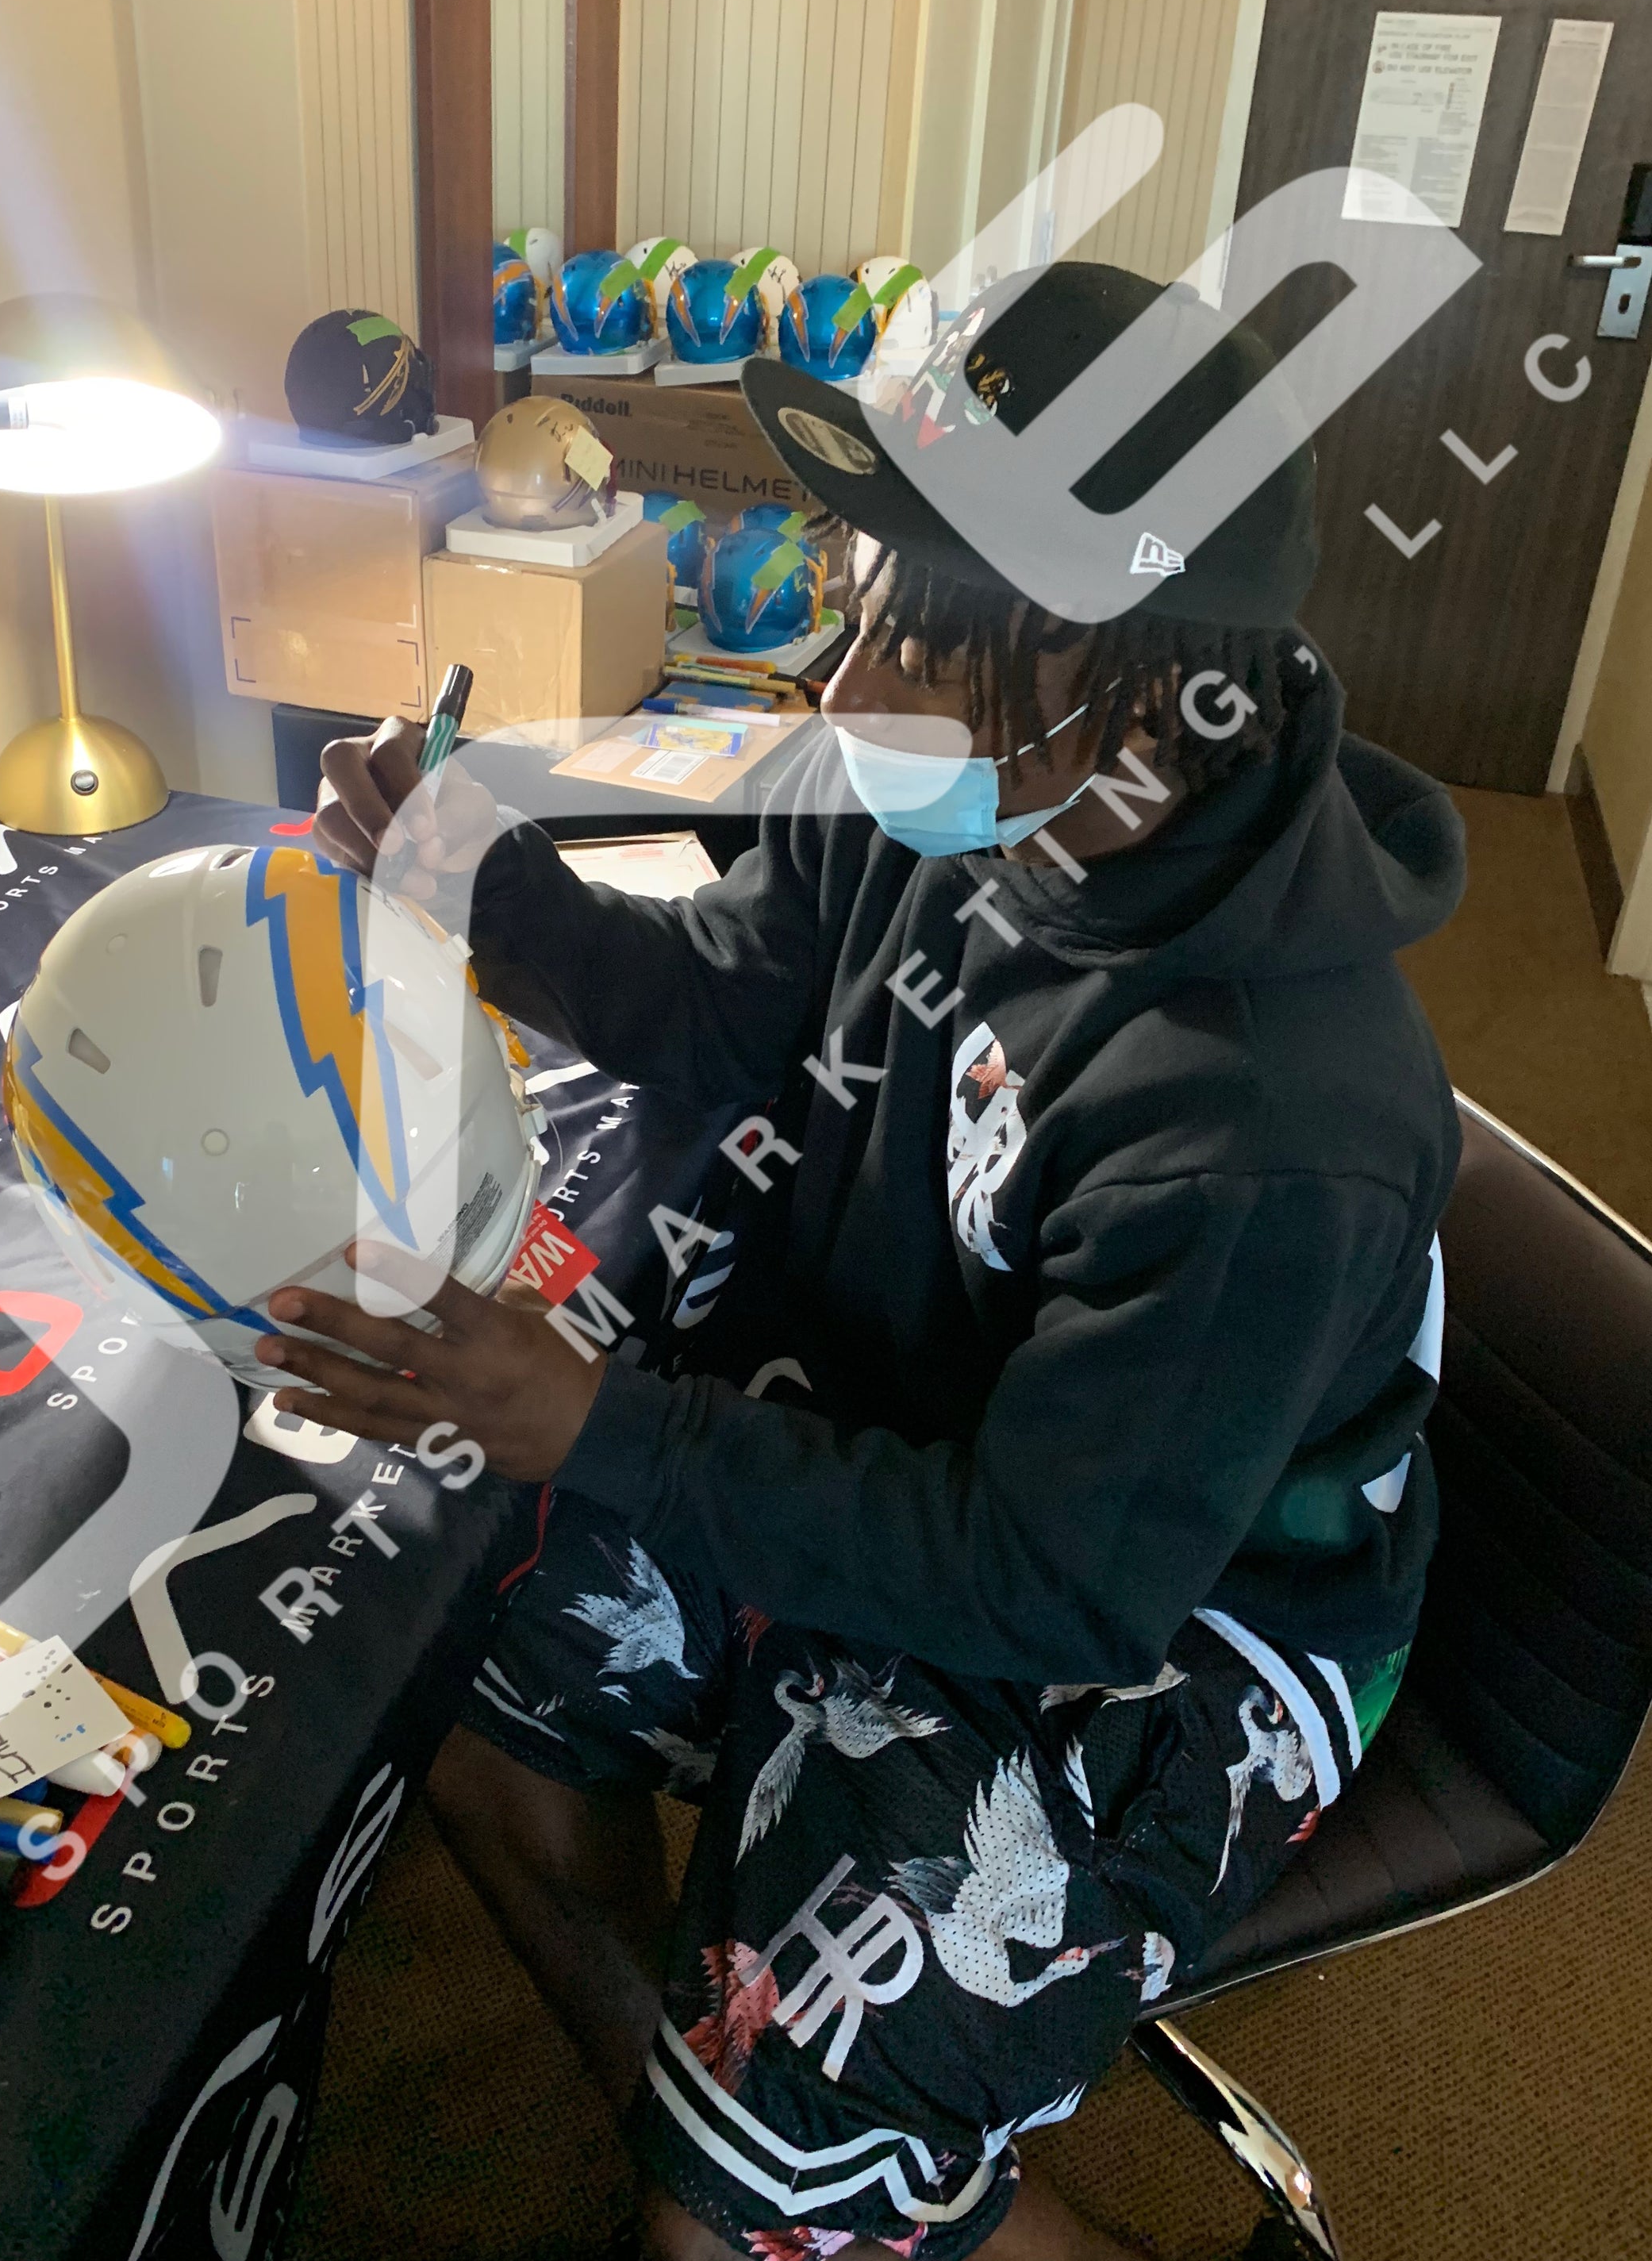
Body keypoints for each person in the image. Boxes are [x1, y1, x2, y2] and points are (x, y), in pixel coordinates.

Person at [263, 264, 1466, 2261]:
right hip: (917, 1431)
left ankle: (781, 2194)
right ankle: (742, 2144)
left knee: (725, 2221)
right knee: (450, 1661)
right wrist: (479, 880)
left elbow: (1050, 1578)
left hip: (1157, 1627)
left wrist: (608, 1424)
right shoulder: (956, 777)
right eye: (867, 591)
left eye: (916, 626)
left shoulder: (1264, 1112)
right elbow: (737, 1011)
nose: (841, 680)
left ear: (1122, 678)